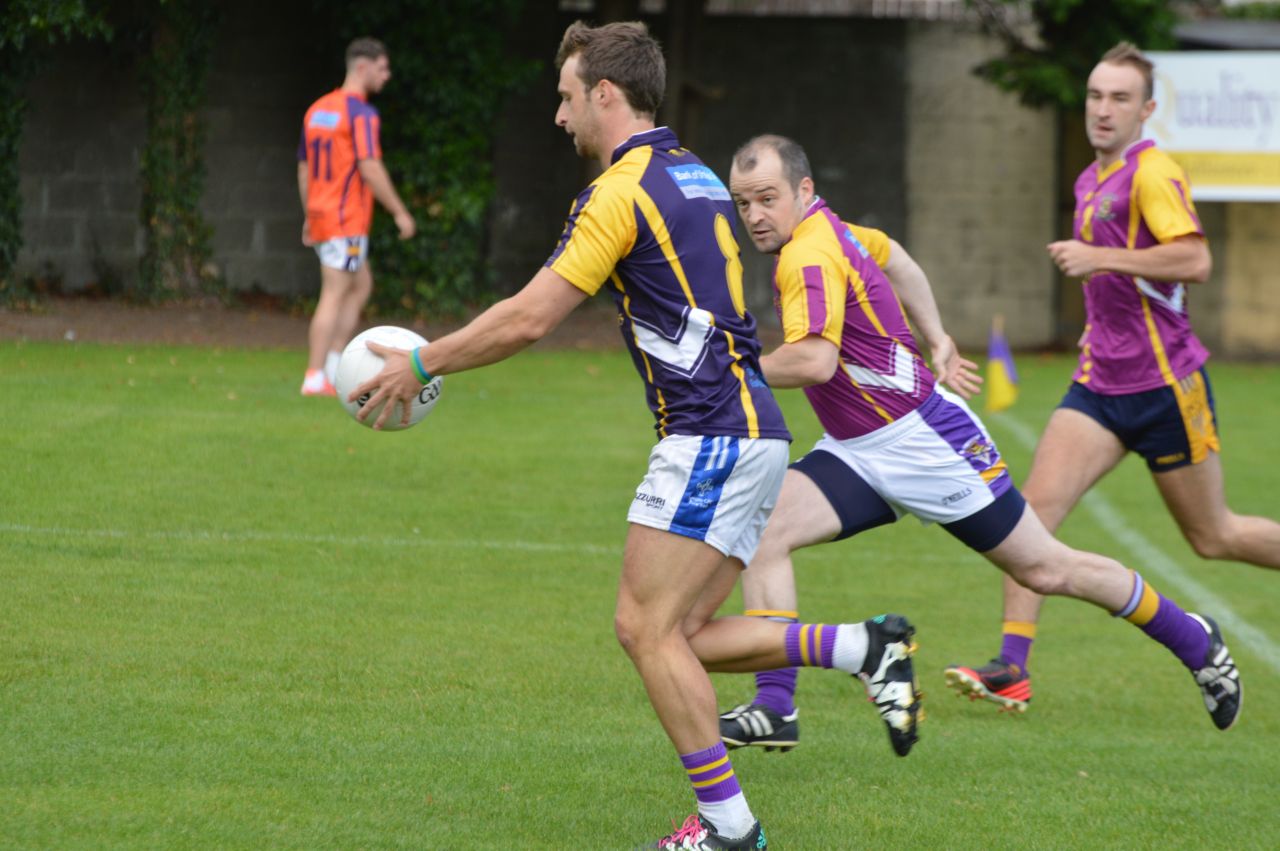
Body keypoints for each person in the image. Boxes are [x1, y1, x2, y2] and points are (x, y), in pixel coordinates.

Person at [349, 23, 919, 851]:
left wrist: (421, 362)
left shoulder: (621, 191)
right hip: (752, 430)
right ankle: (863, 645)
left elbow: (531, 316)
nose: (558, 115)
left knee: (642, 627)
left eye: (567, 96)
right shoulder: (692, 173)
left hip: (709, 435)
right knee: (679, 635)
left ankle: (730, 829)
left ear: (605, 95)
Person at [711, 134, 1240, 754]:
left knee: (1044, 567)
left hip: (927, 442)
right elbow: (900, 258)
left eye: (766, 199)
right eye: (743, 203)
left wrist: (727, 367)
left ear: (804, 190)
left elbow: (814, 361)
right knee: (764, 528)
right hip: (860, 446)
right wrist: (937, 337)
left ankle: (1194, 640)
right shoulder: (833, 228)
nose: (754, 217)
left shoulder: (808, 253)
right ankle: (776, 707)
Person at [945, 42, 1280, 713]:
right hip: (1099, 386)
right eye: (1096, 95)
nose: (1103, 109)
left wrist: (1098, 255)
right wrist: (1099, 324)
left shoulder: (1152, 173)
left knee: (1213, 536)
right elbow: (1125, 287)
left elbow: (1194, 260)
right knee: (1029, 518)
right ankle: (1012, 665)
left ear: (1147, 109)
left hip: (1164, 387)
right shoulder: (1089, 178)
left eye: (1119, 98)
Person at [297, 37, 415, 396]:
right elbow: (369, 166)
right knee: (334, 292)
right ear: (362, 67)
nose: (387, 75)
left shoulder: (318, 109)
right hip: (345, 219)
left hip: (321, 214)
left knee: (361, 284)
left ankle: (332, 367)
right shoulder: (360, 113)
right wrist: (399, 211)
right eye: (382, 68)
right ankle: (315, 375)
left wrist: (308, 213)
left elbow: (304, 169)